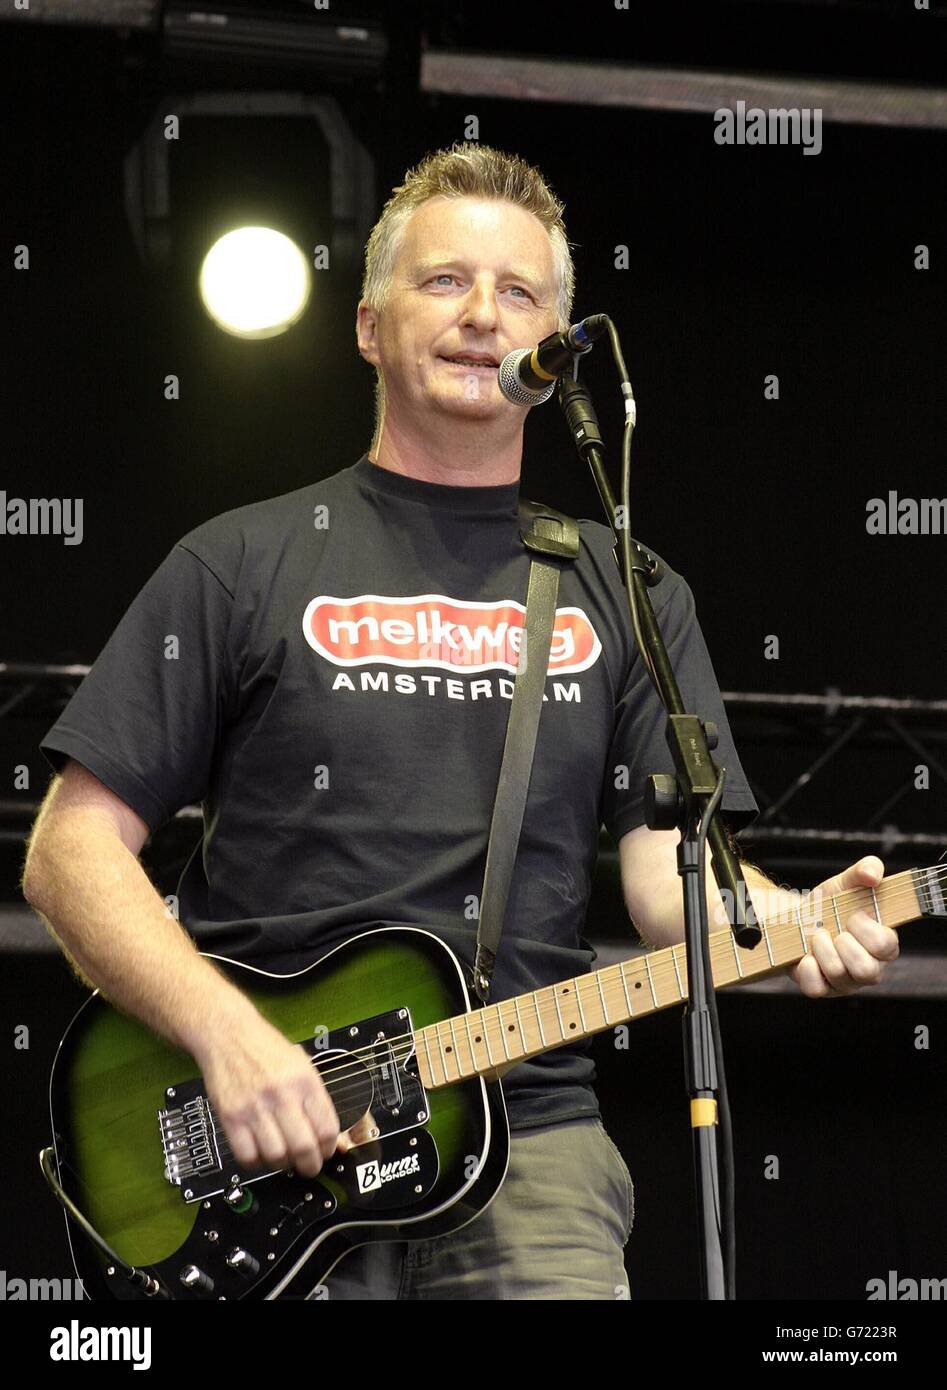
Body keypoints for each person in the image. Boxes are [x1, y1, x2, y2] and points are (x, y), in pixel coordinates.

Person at [22, 142, 899, 1300]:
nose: (483, 316)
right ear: (368, 325)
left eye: (518, 292)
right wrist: (230, 1039)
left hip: (528, 1146)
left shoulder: (623, 587)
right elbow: (69, 851)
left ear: (556, 349)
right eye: (443, 282)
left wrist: (797, 921)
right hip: (260, 1144)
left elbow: (663, 891)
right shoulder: (240, 561)